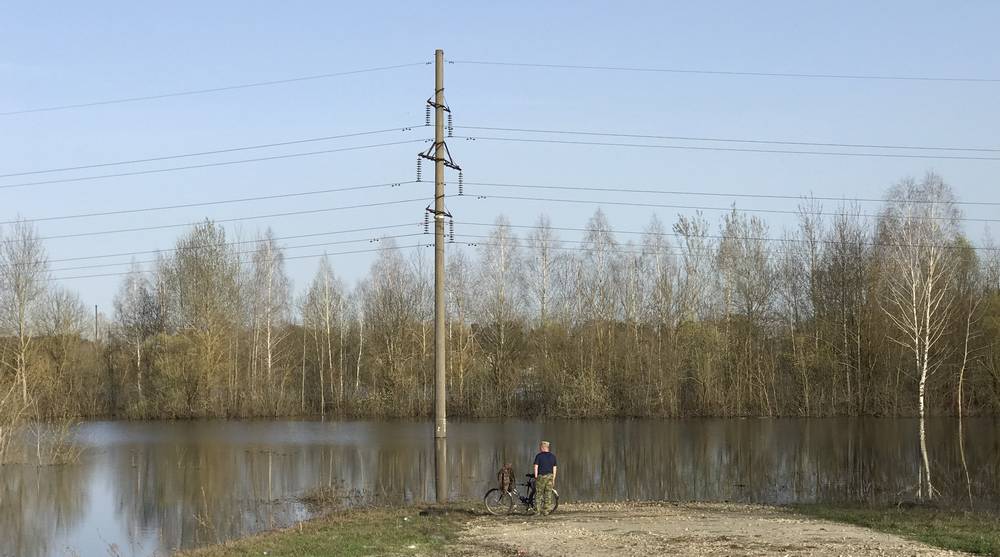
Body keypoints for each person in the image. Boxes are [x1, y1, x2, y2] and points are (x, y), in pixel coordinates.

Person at [532, 440, 557, 515]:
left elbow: (536, 466)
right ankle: (546, 511)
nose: (540, 448)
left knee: (538, 494)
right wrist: (553, 478)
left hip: (541, 476)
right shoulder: (553, 456)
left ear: (543, 447)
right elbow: (554, 468)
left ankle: (537, 511)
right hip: (550, 476)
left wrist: (536, 476)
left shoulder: (539, 456)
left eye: (540, 447)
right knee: (548, 494)